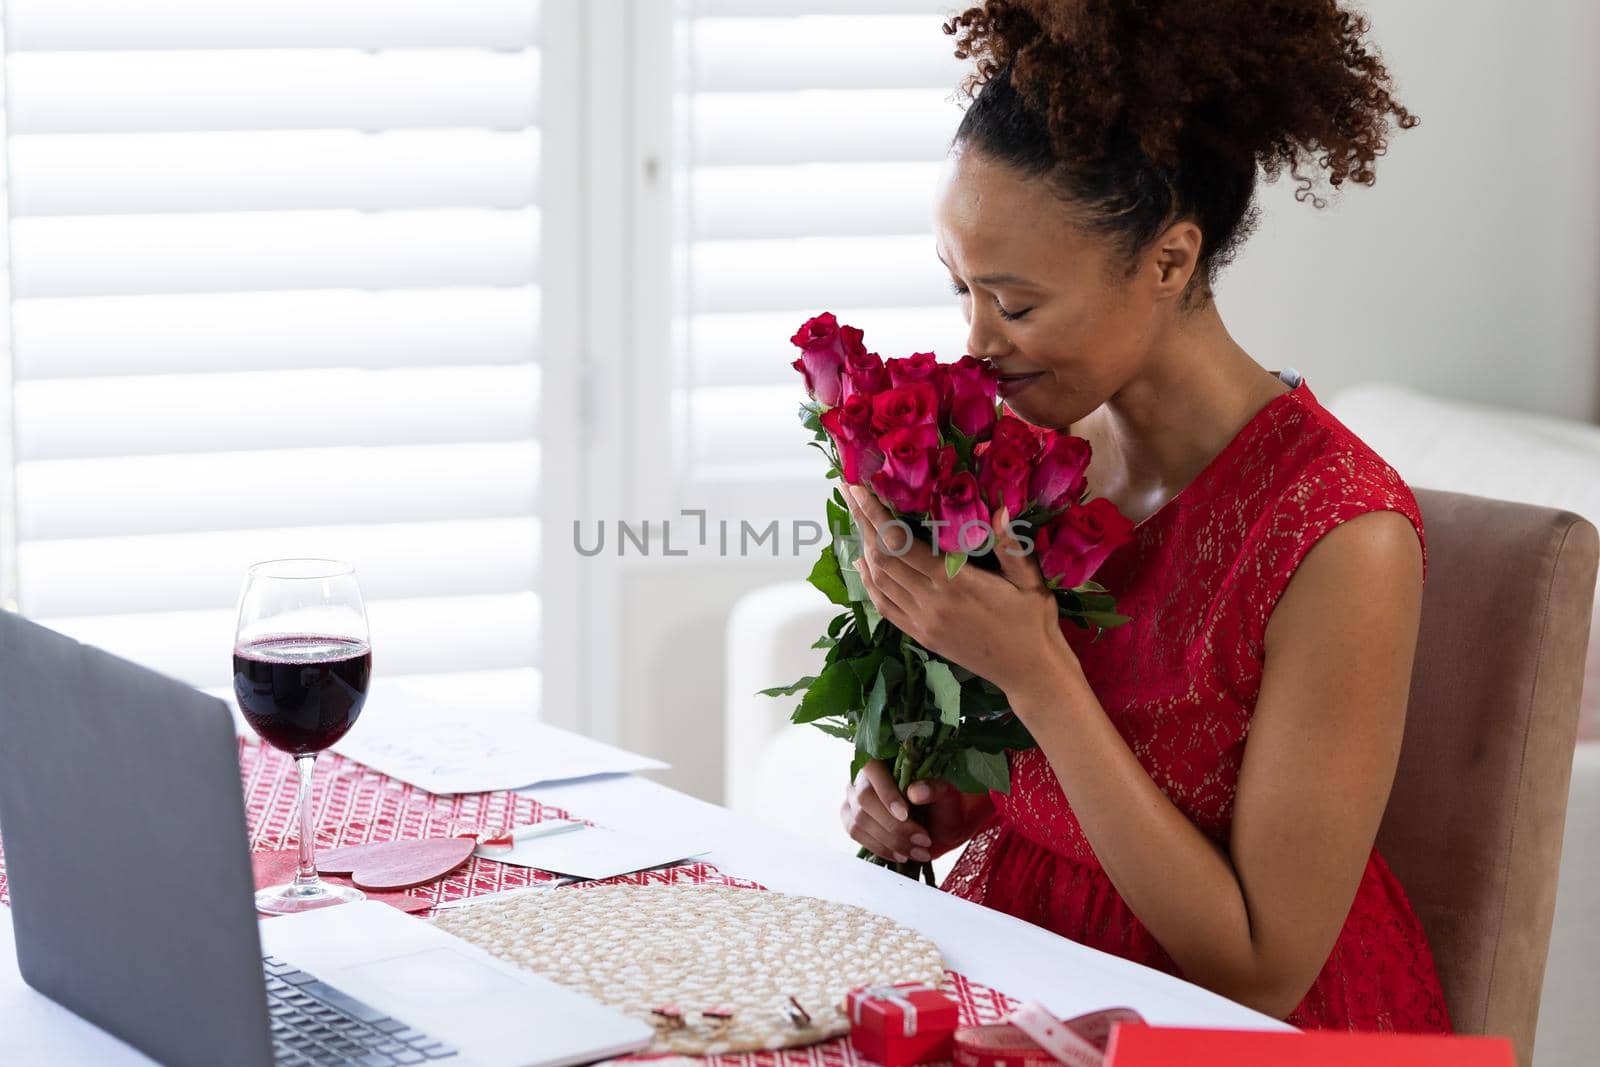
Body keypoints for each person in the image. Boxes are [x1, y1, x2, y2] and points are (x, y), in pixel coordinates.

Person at [838, 0, 1449, 1032]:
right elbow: (1069, 772)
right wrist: (933, 796)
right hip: (1028, 965)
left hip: (1225, 1028)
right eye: (960, 290)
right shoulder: (1036, 457)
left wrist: (1036, 672)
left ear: (1169, 261)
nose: (975, 343)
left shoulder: (1343, 535)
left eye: (1016, 304)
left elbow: (1261, 969)